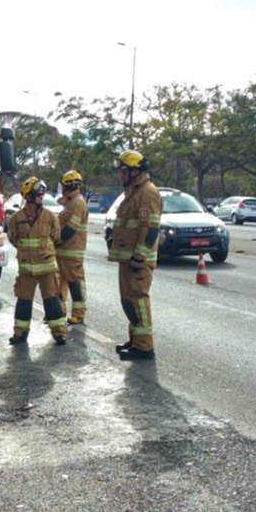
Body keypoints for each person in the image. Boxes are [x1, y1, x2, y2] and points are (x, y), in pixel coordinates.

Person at [107, 150, 162, 360]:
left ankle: (145, 347)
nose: (121, 175)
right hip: (127, 259)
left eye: (123, 171)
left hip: (138, 260)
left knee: (138, 300)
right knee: (128, 301)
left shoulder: (147, 192)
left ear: (135, 171)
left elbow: (150, 229)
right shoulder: (133, 192)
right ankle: (136, 340)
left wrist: (140, 257)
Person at [7, 177, 67, 346]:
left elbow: (56, 236)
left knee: (52, 300)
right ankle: (20, 333)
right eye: (37, 194)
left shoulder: (50, 217)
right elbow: (13, 238)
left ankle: (59, 333)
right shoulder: (16, 218)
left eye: (42, 194)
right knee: (24, 300)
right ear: (28, 196)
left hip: (47, 268)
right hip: (27, 269)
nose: (41, 197)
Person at [56, 170, 90, 325]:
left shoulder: (78, 202)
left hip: (72, 250)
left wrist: (56, 239)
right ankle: (59, 310)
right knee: (60, 282)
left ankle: (78, 314)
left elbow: (70, 228)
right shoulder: (69, 202)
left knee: (75, 282)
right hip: (62, 251)